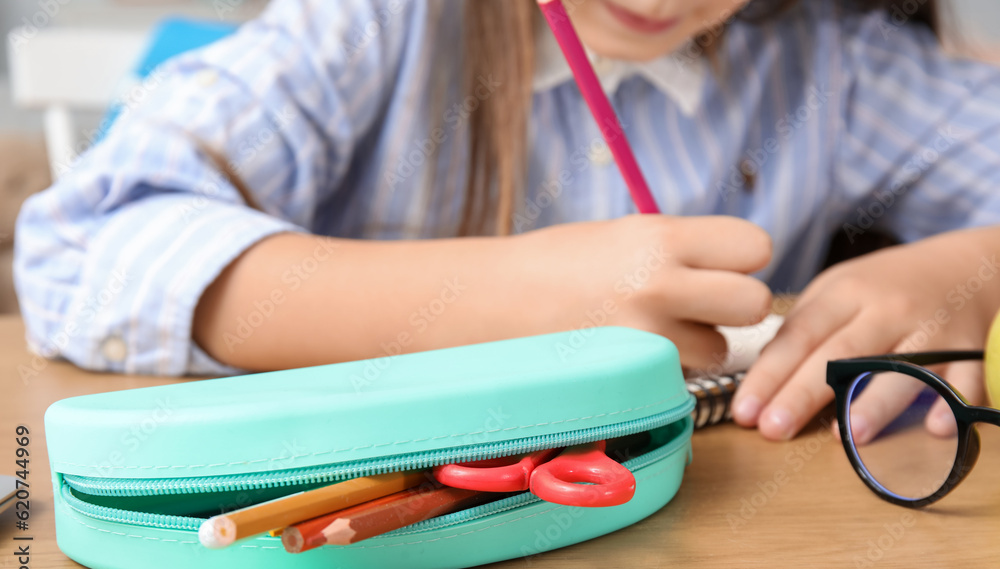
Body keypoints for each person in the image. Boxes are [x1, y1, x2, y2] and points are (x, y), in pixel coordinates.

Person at [13, 0, 1000, 441]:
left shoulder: (826, 66)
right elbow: (78, 247)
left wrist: (967, 266)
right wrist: (508, 297)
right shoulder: (373, 26)